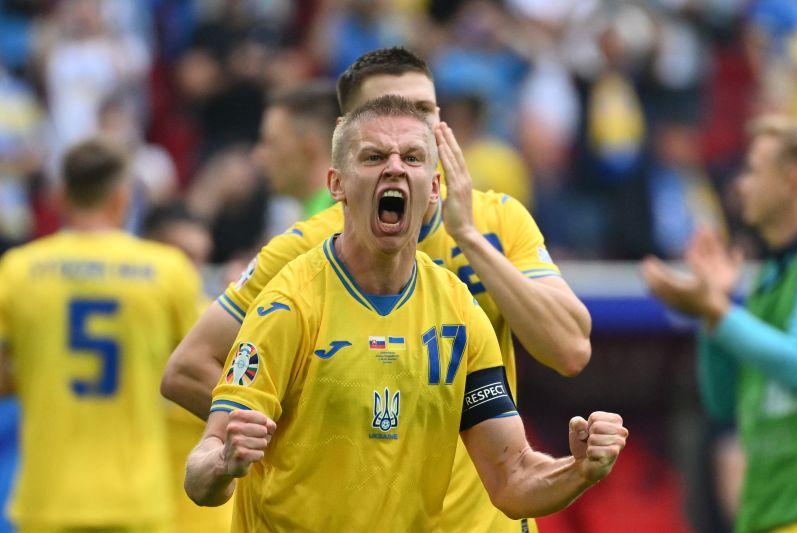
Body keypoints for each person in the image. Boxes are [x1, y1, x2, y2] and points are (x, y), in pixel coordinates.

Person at [163, 46, 592, 532]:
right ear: (344, 150)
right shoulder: (299, 264)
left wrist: (469, 237)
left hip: (480, 518)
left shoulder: (493, 229)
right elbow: (188, 370)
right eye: (388, 115)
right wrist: (291, 439)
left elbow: (571, 351)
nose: (413, 129)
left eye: (425, 113)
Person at [0, 138, 200, 532]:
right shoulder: (167, 271)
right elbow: (197, 364)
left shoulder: (20, 271)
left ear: (59, 197)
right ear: (122, 198)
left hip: (49, 496)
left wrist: (39, 369)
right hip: (136, 496)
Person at [642, 115, 797, 533]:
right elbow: (722, 400)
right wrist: (714, 310)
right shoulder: (769, 279)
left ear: (792, 181)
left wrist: (720, 312)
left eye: (752, 170)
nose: (740, 185)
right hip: (764, 517)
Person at [141, 202, 232, 533]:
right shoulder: (123, 330)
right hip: (134, 514)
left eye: (198, 259)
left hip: (206, 521)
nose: (187, 273)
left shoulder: (223, 331)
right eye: (180, 257)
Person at [253, 82, 341, 219]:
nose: (258, 156)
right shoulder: (316, 219)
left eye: (271, 143)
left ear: (309, 148)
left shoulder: (338, 225)